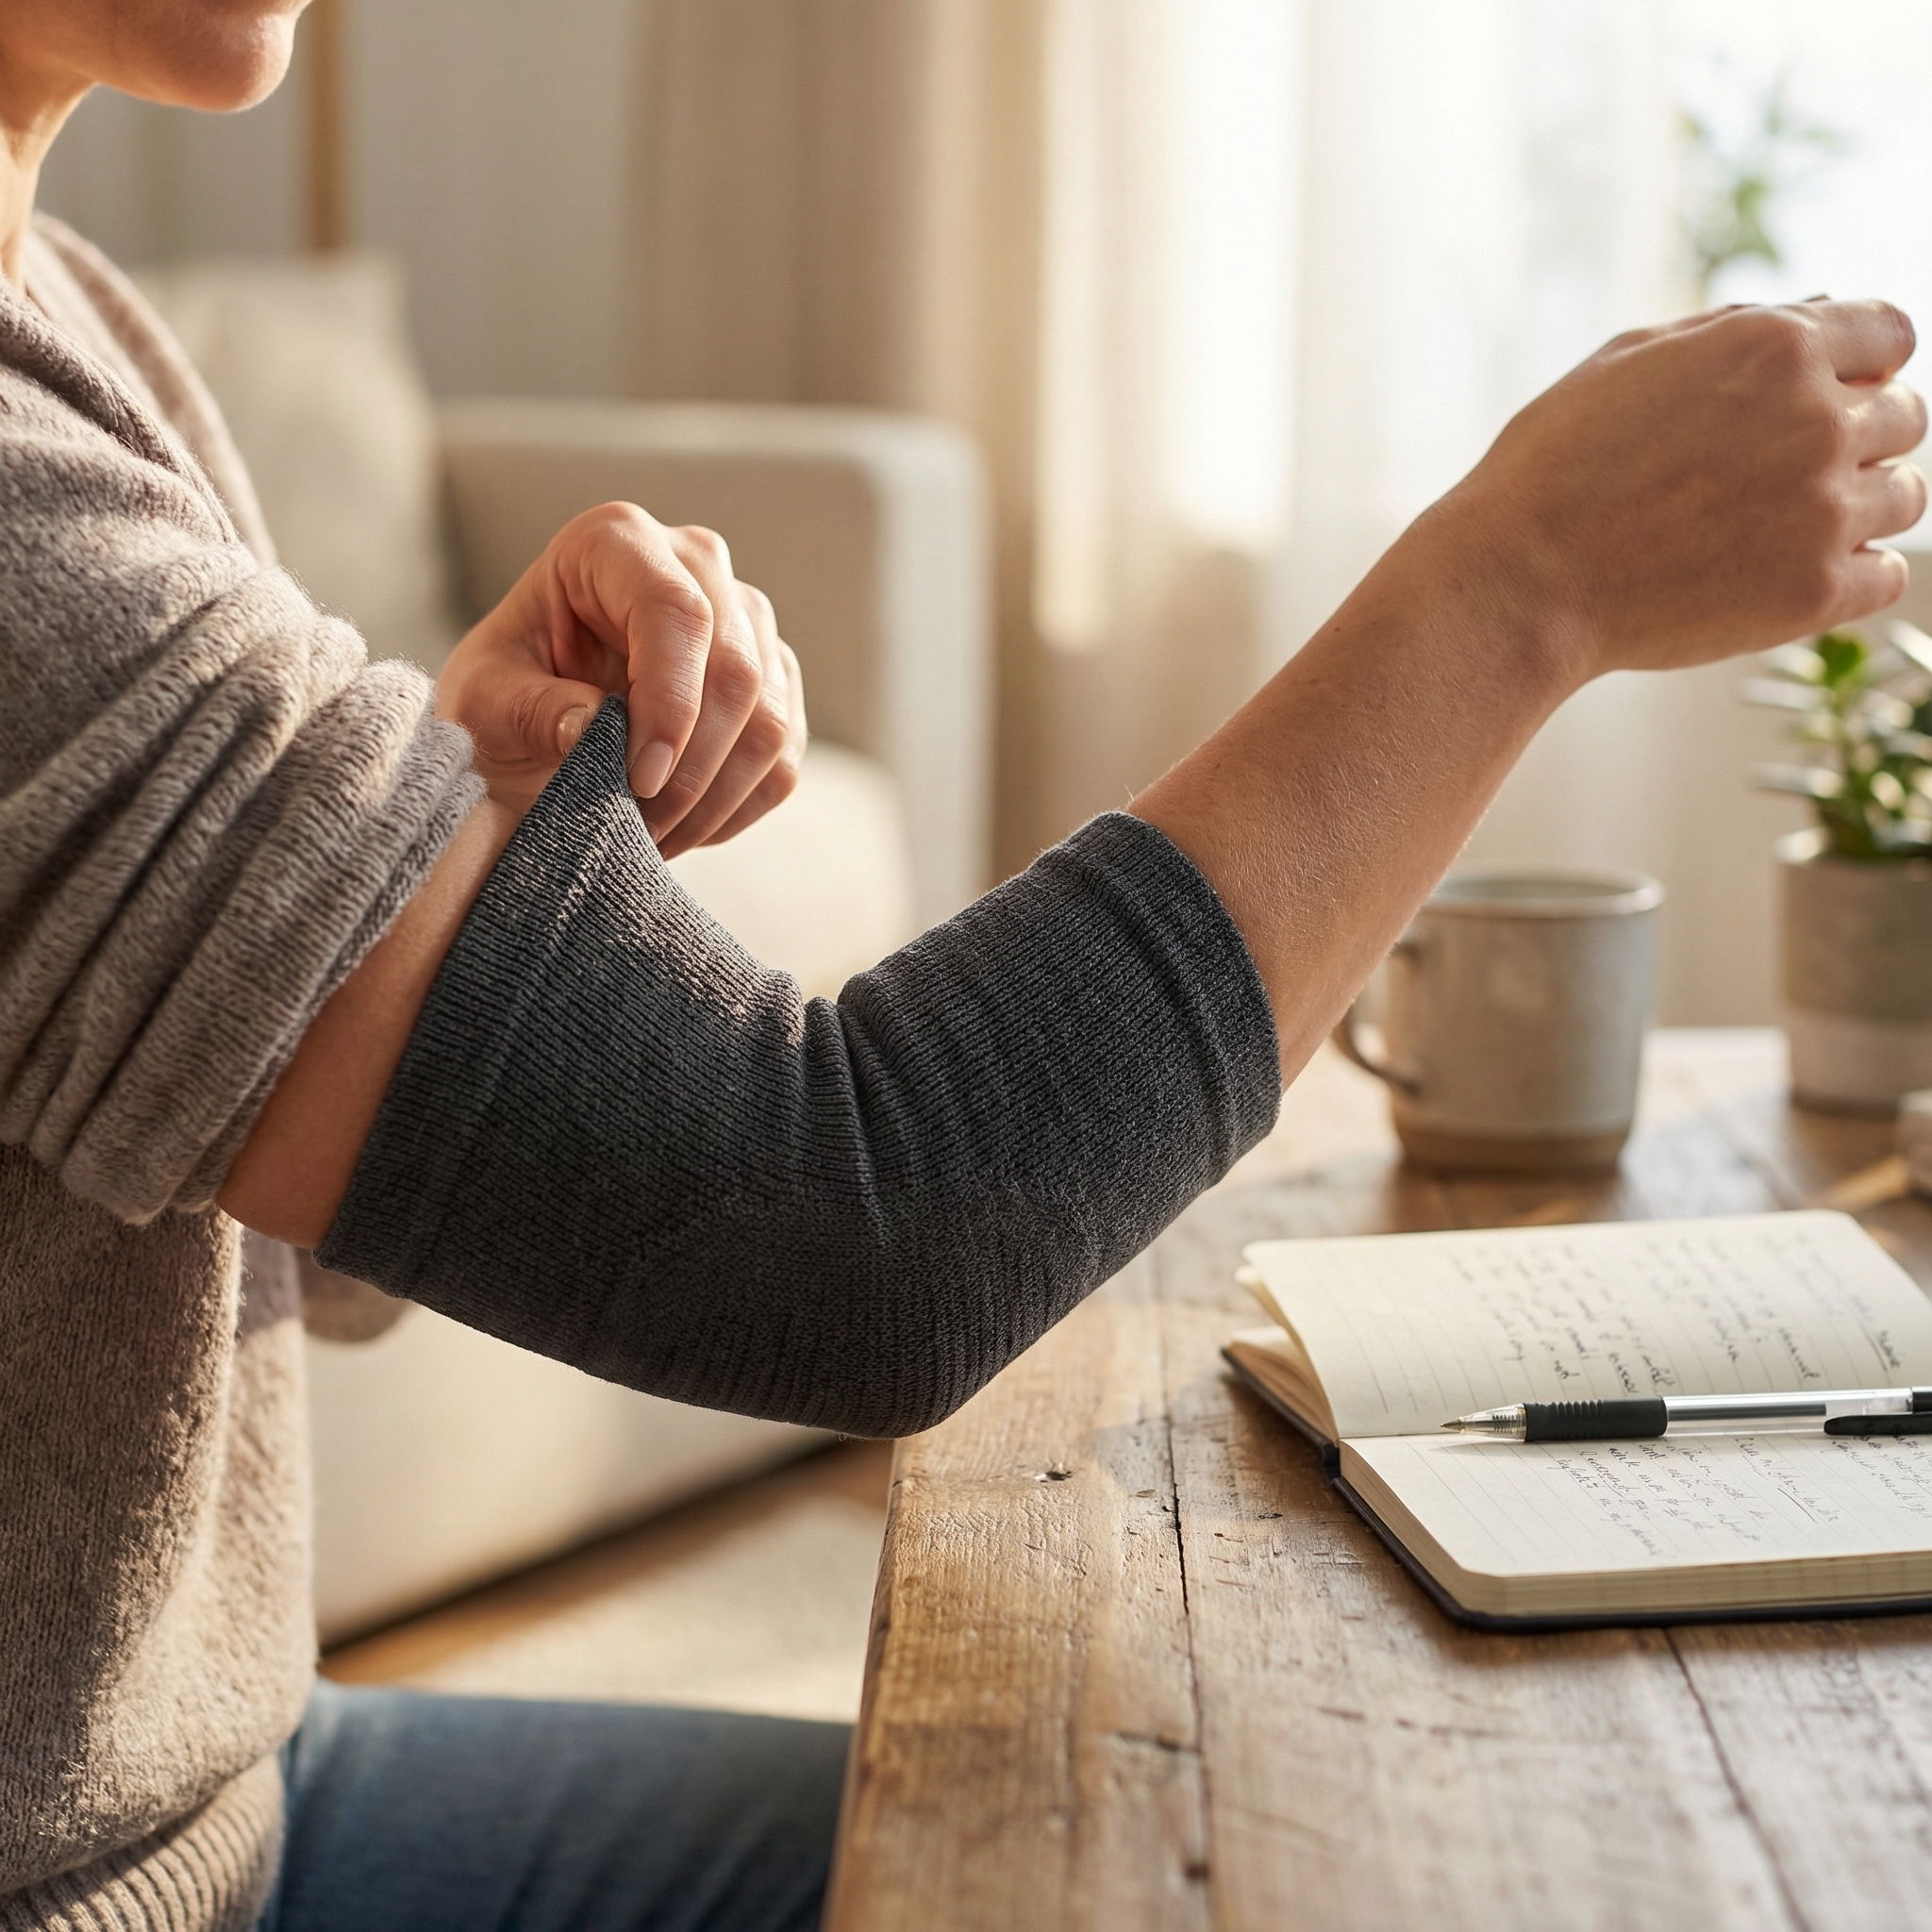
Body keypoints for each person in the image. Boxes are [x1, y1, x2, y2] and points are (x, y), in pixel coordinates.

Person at [0, 3, 1924, 1930]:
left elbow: (285, 1243)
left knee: (1178, 1839)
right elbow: (849, 1238)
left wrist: (447, 839)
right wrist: (1520, 584)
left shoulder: (84, 320)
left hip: (221, 1799)